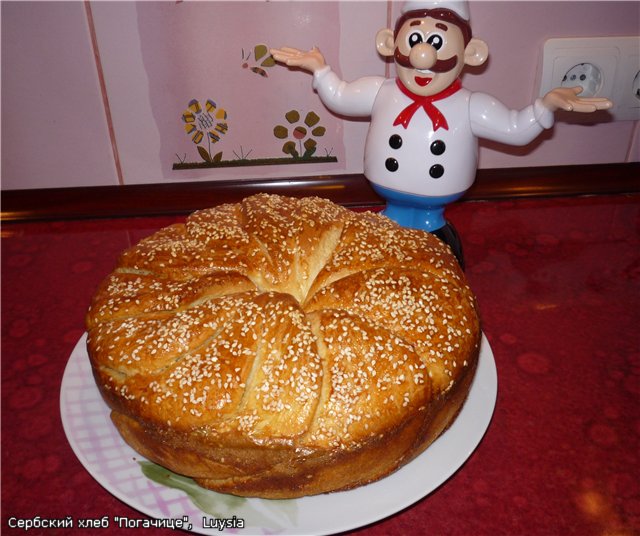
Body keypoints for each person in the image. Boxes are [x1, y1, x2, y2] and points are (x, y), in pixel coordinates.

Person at [271, 0, 612, 268]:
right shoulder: (381, 91)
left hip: (437, 216)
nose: (423, 54)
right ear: (390, 44)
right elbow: (342, 96)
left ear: (471, 53)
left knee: (441, 267)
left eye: (436, 41)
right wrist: (321, 69)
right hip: (386, 208)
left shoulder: (470, 105)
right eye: (415, 39)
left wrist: (546, 106)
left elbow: (514, 128)